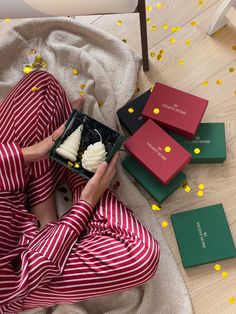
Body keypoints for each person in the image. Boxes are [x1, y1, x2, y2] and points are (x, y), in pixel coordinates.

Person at [0, 70, 160, 313]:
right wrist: (84, 204)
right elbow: (26, 273)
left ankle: (47, 197)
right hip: (20, 270)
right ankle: (79, 177)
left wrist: (31, 152)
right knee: (141, 255)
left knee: (42, 86)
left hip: (7, 190)